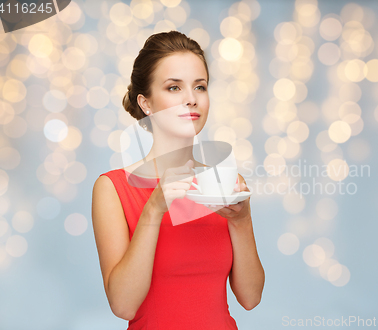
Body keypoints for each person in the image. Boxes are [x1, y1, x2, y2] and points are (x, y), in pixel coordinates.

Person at [91, 31, 265, 329]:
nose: (191, 99)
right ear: (146, 104)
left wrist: (242, 220)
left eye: (200, 86)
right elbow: (123, 305)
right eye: (174, 88)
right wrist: (153, 210)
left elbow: (250, 297)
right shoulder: (113, 188)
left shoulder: (224, 183)